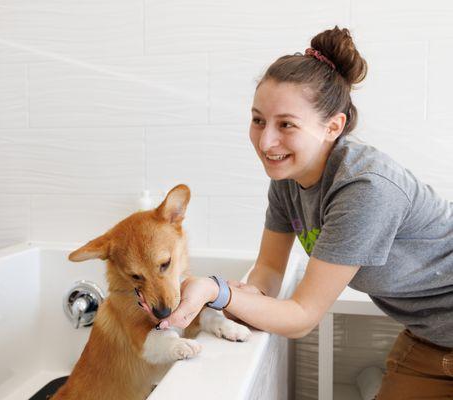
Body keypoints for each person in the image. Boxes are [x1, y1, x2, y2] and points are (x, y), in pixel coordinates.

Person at [156, 26, 453, 398]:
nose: (266, 142)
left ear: (333, 127)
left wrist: (218, 292)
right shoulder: (288, 179)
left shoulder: (365, 188)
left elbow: (301, 318)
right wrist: (221, 301)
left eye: (286, 125)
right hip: (430, 337)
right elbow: (267, 272)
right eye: (258, 120)